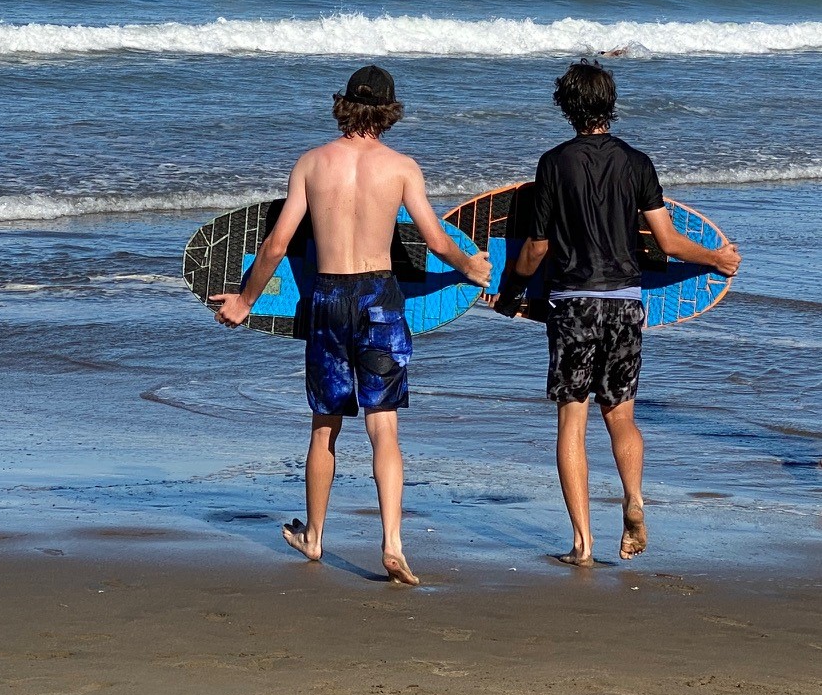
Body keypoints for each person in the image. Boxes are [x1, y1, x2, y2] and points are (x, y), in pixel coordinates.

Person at [210, 64, 492, 586]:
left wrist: (246, 302)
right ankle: (392, 544)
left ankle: (315, 537)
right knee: (383, 427)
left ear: (343, 104)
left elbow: (276, 245)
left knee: (325, 424)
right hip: (380, 297)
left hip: (329, 296)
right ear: (389, 110)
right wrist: (470, 266)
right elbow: (435, 241)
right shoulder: (402, 167)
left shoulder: (312, 164)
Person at [497, 60, 741, 567]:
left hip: (573, 303)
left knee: (572, 419)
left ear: (567, 107)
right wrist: (717, 258)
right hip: (627, 302)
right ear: (610, 104)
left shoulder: (554, 164)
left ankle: (583, 544)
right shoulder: (637, 163)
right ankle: (633, 496)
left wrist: (511, 287)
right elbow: (669, 242)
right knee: (621, 414)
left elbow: (537, 248)